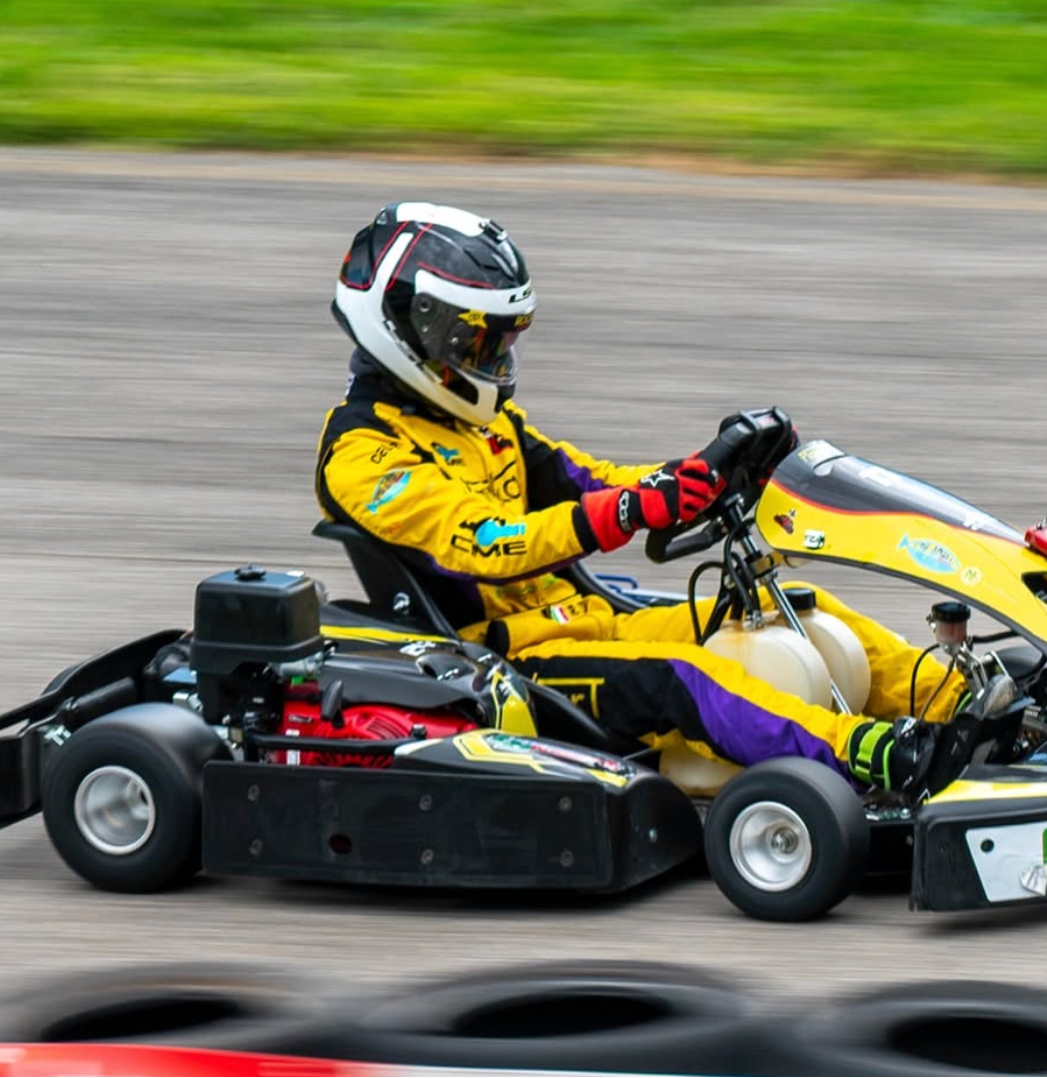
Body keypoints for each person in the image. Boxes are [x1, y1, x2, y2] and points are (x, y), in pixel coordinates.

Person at [315, 201, 968, 798]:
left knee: (790, 607)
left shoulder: (479, 424)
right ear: (413, 327)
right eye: (477, 340)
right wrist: (627, 511)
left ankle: (962, 705)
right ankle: (871, 753)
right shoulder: (364, 456)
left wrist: (694, 479)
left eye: (500, 340)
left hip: (590, 621)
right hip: (507, 664)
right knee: (683, 675)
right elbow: (487, 544)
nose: (493, 357)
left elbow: (592, 481)